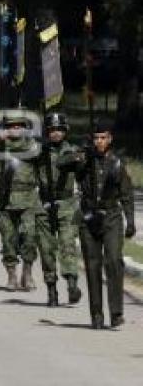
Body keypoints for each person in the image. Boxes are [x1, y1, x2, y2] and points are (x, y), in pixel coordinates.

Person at [76, 119, 135, 329]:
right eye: (96, 138)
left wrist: (131, 222)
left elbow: (127, 195)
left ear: (110, 139)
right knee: (92, 266)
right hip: (89, 217)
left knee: (113, 261)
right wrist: (82, 154)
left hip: (111, 217)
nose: (99, 141)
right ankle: (96, 315)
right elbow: (63, 164)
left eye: (103, 137)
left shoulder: (117, 163)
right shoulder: (84, 159)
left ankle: (116, 312)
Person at [0, 112, 41, 291]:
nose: (15, 129)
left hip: (28, 199)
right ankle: (12, 275)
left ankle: (27, 274)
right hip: (6, 200)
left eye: (19, 126)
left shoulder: (31, 145)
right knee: (8, 239)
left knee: (29, 237)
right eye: (12, 126)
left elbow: (43, 155)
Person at [42, 112, 83, 305]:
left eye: (59, 129)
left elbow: (81, 167)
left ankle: (72, 284)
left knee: (67, 245)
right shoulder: (39, 152)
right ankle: (51, 289)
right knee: (47, 249)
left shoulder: (72, 152)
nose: (56, 133)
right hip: (44, 204)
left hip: (67, 204)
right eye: (52, 130)